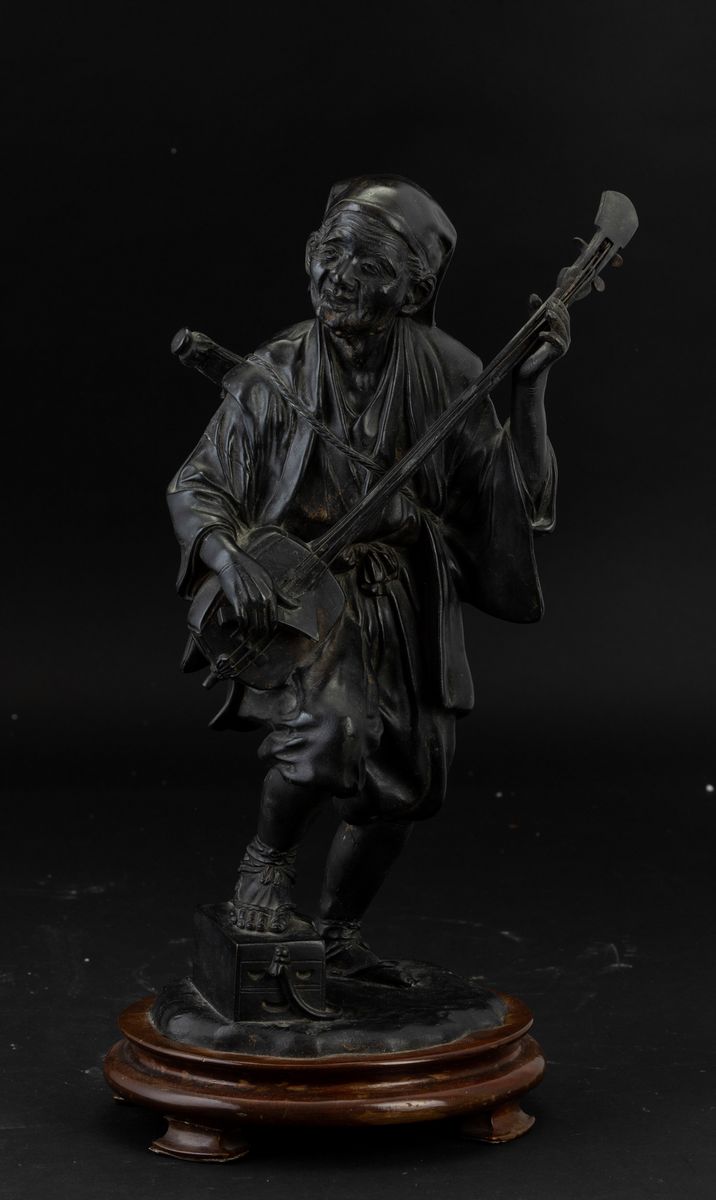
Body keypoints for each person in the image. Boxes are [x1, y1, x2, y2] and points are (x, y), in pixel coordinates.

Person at [167, 176, 569, 980]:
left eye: (369, 263)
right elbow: (197, 484)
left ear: (414, 289)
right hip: (305, 600)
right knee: (329, 732)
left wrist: (529, 391)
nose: (338, 275)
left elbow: (512, 502)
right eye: (329, 252)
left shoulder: (452, 372)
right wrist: (228, 555)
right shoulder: (277, 371)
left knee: (409, 785)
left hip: (406, 599)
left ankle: (340, 938)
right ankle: (265, 866)